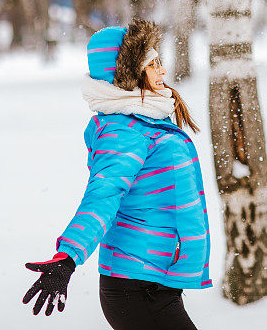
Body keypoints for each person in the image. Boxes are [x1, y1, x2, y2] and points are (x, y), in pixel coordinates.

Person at [23, 19, 211, 329]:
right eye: (153, 65)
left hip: (152, 280)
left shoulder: (145, 119)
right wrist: (68, 256)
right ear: (128, 74)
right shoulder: (124, 130)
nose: (162, 72)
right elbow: (103, 195)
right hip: (136, 287)